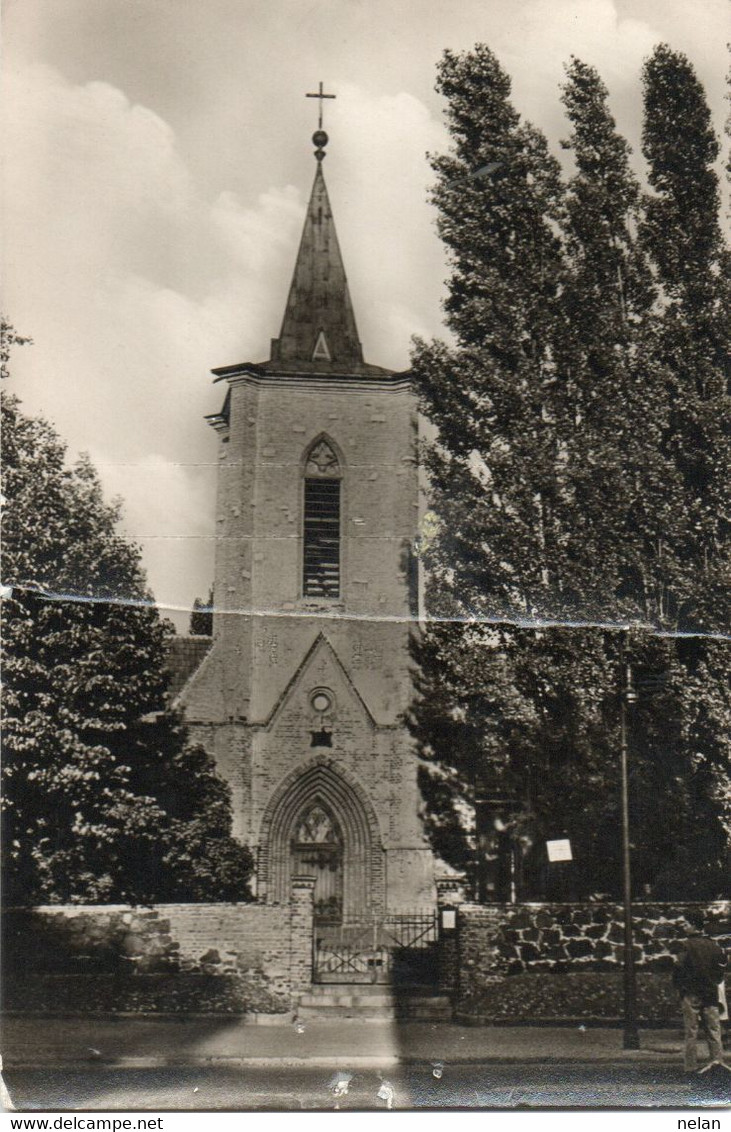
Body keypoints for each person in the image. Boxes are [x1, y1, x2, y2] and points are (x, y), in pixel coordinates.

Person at [672, 910, 728, 1074]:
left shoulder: (685, 946)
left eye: (686, 924)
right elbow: (721, 968)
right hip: (710, 992)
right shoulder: (713, 945)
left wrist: (679, 987)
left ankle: (690, 1066)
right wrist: (714, 982)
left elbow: (678, 969)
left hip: (691, 992)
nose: (684, 927)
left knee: (691, 1031)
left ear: (693, 926)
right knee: (714, 1029)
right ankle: (717, 1061)